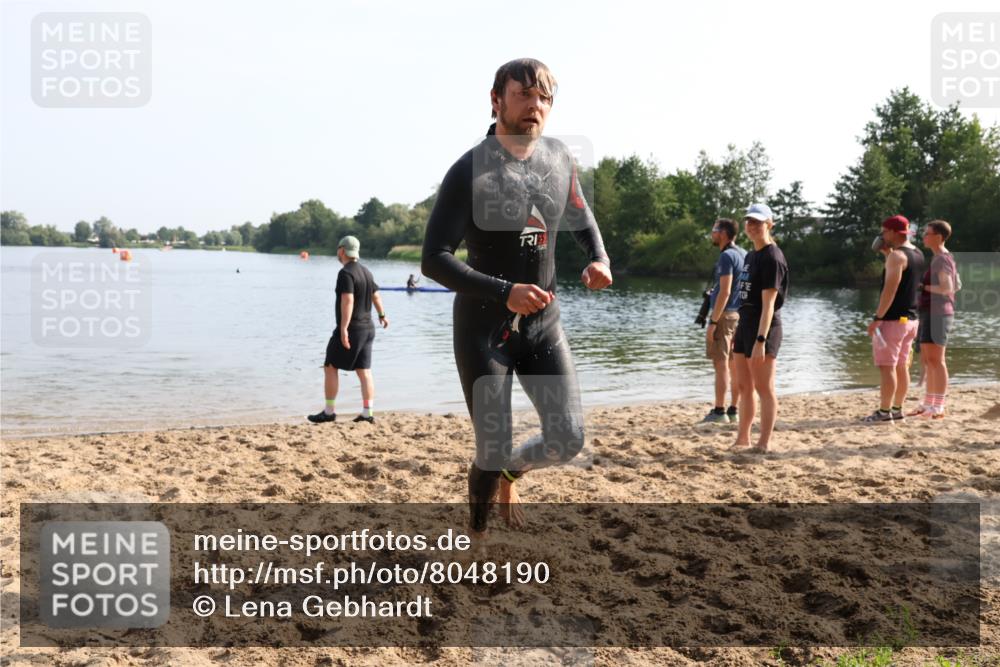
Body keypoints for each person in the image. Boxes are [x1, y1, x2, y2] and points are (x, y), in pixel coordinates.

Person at [421, 58, 612, 540]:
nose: (535, 106)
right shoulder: (469, 172)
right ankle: (476, 543)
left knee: (567, 438)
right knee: (493, 445)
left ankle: (513, 475)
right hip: (484, 329)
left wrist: (599, 258)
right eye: (523, 94)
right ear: (496, 100)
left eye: (544, 97)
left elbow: (580, 213)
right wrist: (505, 291)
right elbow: (434, 260)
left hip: (543, 326)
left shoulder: (559, 159)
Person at [308, 236, 389, 425]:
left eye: (338, 249)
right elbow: (376, 296)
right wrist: (382, 315)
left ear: (342, 251)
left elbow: (348, 300)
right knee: (364, 371)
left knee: (330, 366)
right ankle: (367, 413)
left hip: (352, 329)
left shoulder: (345, 273)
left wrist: (343, 328)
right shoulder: (366, 271)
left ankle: (329, 412)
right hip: (368, 328)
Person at [731, 203, 788, 453]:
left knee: (764, 387)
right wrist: (738, 330)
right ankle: (743, 438)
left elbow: (768, 306)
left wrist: (761, 340)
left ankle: (764, 442)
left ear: (770, 224)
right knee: (743, 387)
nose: (752, 226)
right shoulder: (750, 255)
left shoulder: (772, 257)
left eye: (758, 222)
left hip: (764, 329)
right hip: (745, 326)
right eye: (749, 221)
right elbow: (746, 298)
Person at [863, 215, 925, 423]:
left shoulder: (897, 257)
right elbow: (906, 280)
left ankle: (883, 412)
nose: (881, 235)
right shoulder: (916, 253)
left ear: (892, 232)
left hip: (892, 321)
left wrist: (877, 318)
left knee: (887, 367)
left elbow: (890, 290)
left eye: (884, 231)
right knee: (901, 366)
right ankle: (897, 409)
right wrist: (887, 254)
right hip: (910, 320)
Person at [701, 218, 746, 424]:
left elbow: (725, 291)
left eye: (714, 230)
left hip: (725, 316)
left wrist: (713, 322)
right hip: (740, 315)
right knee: (735, 365)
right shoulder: (744, 254)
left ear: (724, 233)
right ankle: (734, 410)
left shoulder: (726, 256)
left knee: (721, 365)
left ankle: (719, 412)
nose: (712, 234)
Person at [910, 220, 957, 419]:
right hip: (930, 312)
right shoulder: (940, 258)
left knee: (937, 361)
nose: (924, 237)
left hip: (939, 313)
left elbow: (947, 288)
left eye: (927, 234)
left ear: (938, 236)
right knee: (929, 360)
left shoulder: (941, 259)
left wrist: (924, 287)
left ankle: (938, 406)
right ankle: (928, 403)